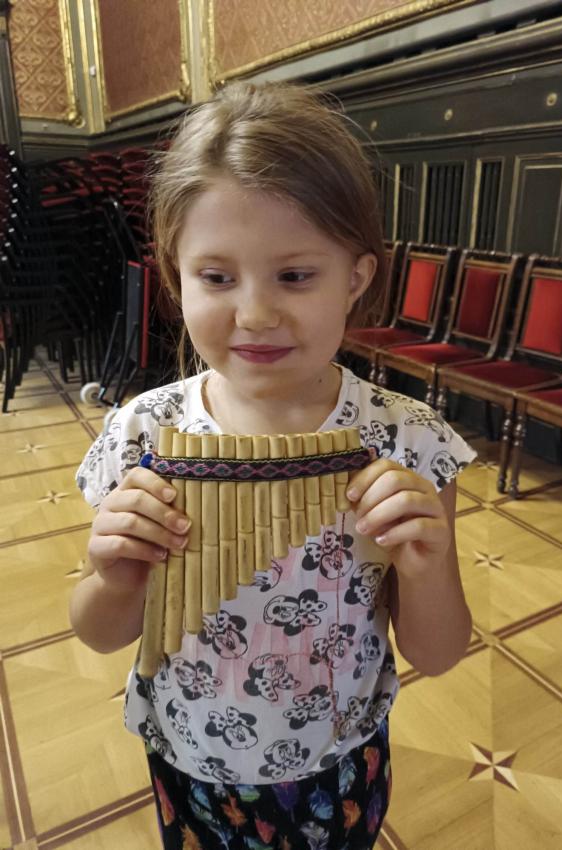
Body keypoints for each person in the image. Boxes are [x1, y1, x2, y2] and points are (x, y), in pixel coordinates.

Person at [70, 81, 476, 850]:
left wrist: (425, 566)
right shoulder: (142, 435)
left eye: (294, 275)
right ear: (175, 275)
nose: (255, 314)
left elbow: (440, 650)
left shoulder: (409, 441)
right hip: (188, 757)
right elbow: (99, 633)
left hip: (338, 761)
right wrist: (114, 577)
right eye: (217, 277)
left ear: (356, 277)